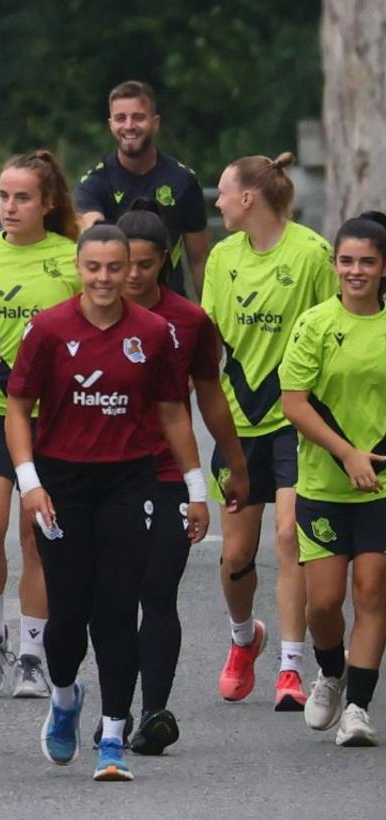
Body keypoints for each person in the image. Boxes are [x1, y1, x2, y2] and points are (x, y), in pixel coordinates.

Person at [7, 224, 210, 782]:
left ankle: (114, 737)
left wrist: (196, 489)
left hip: (130, 482)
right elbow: (18, 407)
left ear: (130, 271)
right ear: (79, 268)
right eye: (93, 267)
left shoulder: (154, 331)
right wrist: (30, 483)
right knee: (68, 613)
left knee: (118, 610)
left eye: (114, 268)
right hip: (63, 484)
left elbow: (172, 411)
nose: (103, 278)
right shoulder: (48, 329)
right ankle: (67, 697)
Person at [202, 153, 338, 711]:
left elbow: (336, 327)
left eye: (224, 192)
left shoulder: (311, 253)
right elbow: (208, 337)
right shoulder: (221, 256)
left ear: (249, 198)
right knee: (237, 556)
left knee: (289, 536)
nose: (217, 202)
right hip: (238, 420)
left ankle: (290, 667)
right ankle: (244, 640)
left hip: (293, 419)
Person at [114, 205, 249, 753]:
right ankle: (110, 711)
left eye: (146, 264)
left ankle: (153, 714)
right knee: (111, 598)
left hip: (168, 472)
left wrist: (234, 463)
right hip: (102, 475)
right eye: (126, 264)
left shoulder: (189, 321)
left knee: (157, 590)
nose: (133, 276)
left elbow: (211, 396)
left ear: (164, 260)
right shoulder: (86, 318)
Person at [0, 150, 80, 704]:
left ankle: (30, 654)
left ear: (47, 203)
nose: (9, 206)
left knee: (36, 537)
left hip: (51, 419)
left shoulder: (73, 259)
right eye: (3, 195)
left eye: (22, 197)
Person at [281, 212, 386, 747]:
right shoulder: (315, 324)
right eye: (347, 261)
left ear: (384, 267)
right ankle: (330, 671)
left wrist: (376, 458)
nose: (356, 271)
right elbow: (294, 403)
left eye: (367, 261)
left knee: (372, 589)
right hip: (324, 483)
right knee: (323, 603)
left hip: (382, 489)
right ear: (334, 265)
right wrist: (348, 454)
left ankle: (359, 709)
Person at [75, 81, 209, 297]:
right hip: (116, 309)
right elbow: (92, 233)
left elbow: (199, 259)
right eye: (120, 118)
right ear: (110, 124)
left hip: (169, 307)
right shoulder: (93, 182)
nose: (129, 125)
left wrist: (210, 319)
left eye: (138, 117)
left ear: (155, 122)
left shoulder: (184, 181)